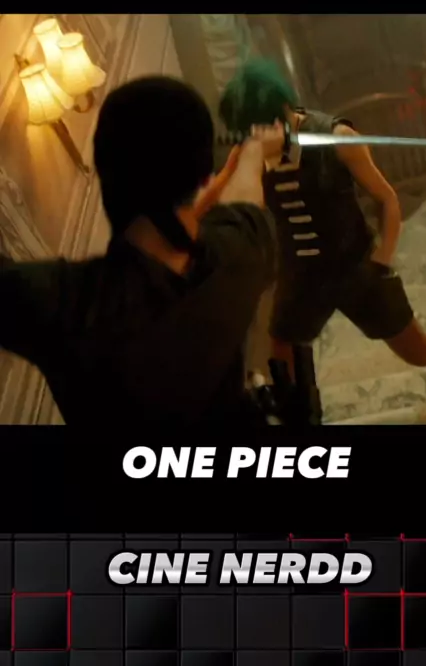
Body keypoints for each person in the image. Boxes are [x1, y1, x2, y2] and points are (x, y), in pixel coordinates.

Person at [0, 76, 276, 430]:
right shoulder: (242, 254)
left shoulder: (64, 306)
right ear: (205, 177)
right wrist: (254, 151)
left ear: (105, 174)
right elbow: (246, 197)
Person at [219, 58, 426, 422]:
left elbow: (387, 199)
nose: (259, 135)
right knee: (284, 352)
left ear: (283, 109)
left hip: (354, 266)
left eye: (265, 124)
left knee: (415, 350)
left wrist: (381, 260)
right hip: (300, 274)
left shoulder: (337, 138)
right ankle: (304, 415)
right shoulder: (250, 152)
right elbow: (237, 205)